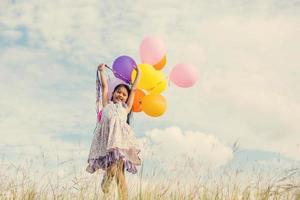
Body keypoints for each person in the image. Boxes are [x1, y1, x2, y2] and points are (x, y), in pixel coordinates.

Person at [86, 63, 141, 200]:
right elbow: (104, 86)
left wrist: (138, 73)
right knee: (114, 171)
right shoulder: (107, 105)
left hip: (121, 143)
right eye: (118, 92)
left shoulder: (125, 109)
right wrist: (101, 71)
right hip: (108, 143)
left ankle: (121, 195)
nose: (121, 95)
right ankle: (107, 180)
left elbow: (133, 89)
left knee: (120, 175)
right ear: (113, 94)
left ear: (127, 98)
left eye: (124, 94)